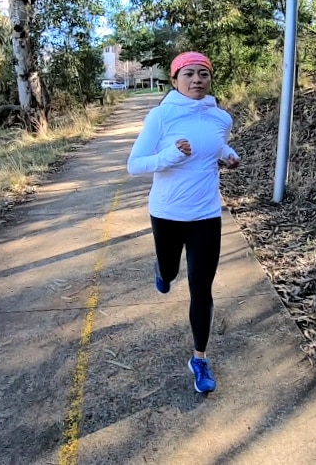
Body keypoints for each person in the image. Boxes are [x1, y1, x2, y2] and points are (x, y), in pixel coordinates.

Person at [126, 52, 239, 394]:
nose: (197, 80)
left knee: (201, 288)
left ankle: (199, 359)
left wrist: (227, 155)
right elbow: (135, 164)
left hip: (206, 214)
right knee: (172, 273)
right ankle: (162, 271)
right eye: (188, 73)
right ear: (174, 80)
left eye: (203, 74)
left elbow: (215, 147)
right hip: (167, 213)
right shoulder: (160, 117)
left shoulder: (221, 118)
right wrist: (171, 155)